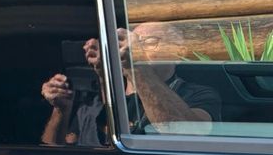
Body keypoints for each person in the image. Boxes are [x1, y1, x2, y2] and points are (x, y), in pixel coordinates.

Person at [41, 22, 220, 146]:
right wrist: (61, 110)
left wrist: (136, 66)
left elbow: (186, 138)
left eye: (149, 42)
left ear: (179, 52)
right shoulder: (93, 103)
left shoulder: (197, 94)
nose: (133, 49)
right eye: (131, 43)